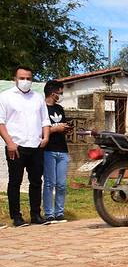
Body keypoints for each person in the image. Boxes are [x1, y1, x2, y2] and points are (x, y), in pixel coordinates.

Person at [0, 66, 50, 227]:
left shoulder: (37, 97)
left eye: (28, 78)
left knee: (36, 181)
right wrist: (9, 142)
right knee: (15, 182)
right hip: (16, 146)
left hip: (36, 145)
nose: (25, 81)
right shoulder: (6, 97)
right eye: (22, 78)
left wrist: (46, 137)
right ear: (15, 79)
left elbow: (45, 120)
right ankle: (17, 217)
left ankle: (36, 214)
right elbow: (1, 122)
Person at [43, 80, 71, 223]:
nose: (62, 95)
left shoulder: (60, 109)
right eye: (60, 93)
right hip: (48, 150)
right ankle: (49, 214)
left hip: (62, 150)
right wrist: (55, 129)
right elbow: (41, 130)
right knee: (49, 183)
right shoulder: (41, 109)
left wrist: (65, 129)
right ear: (53, 93)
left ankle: (60, 213)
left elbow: (62, 126)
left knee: (61, 184)